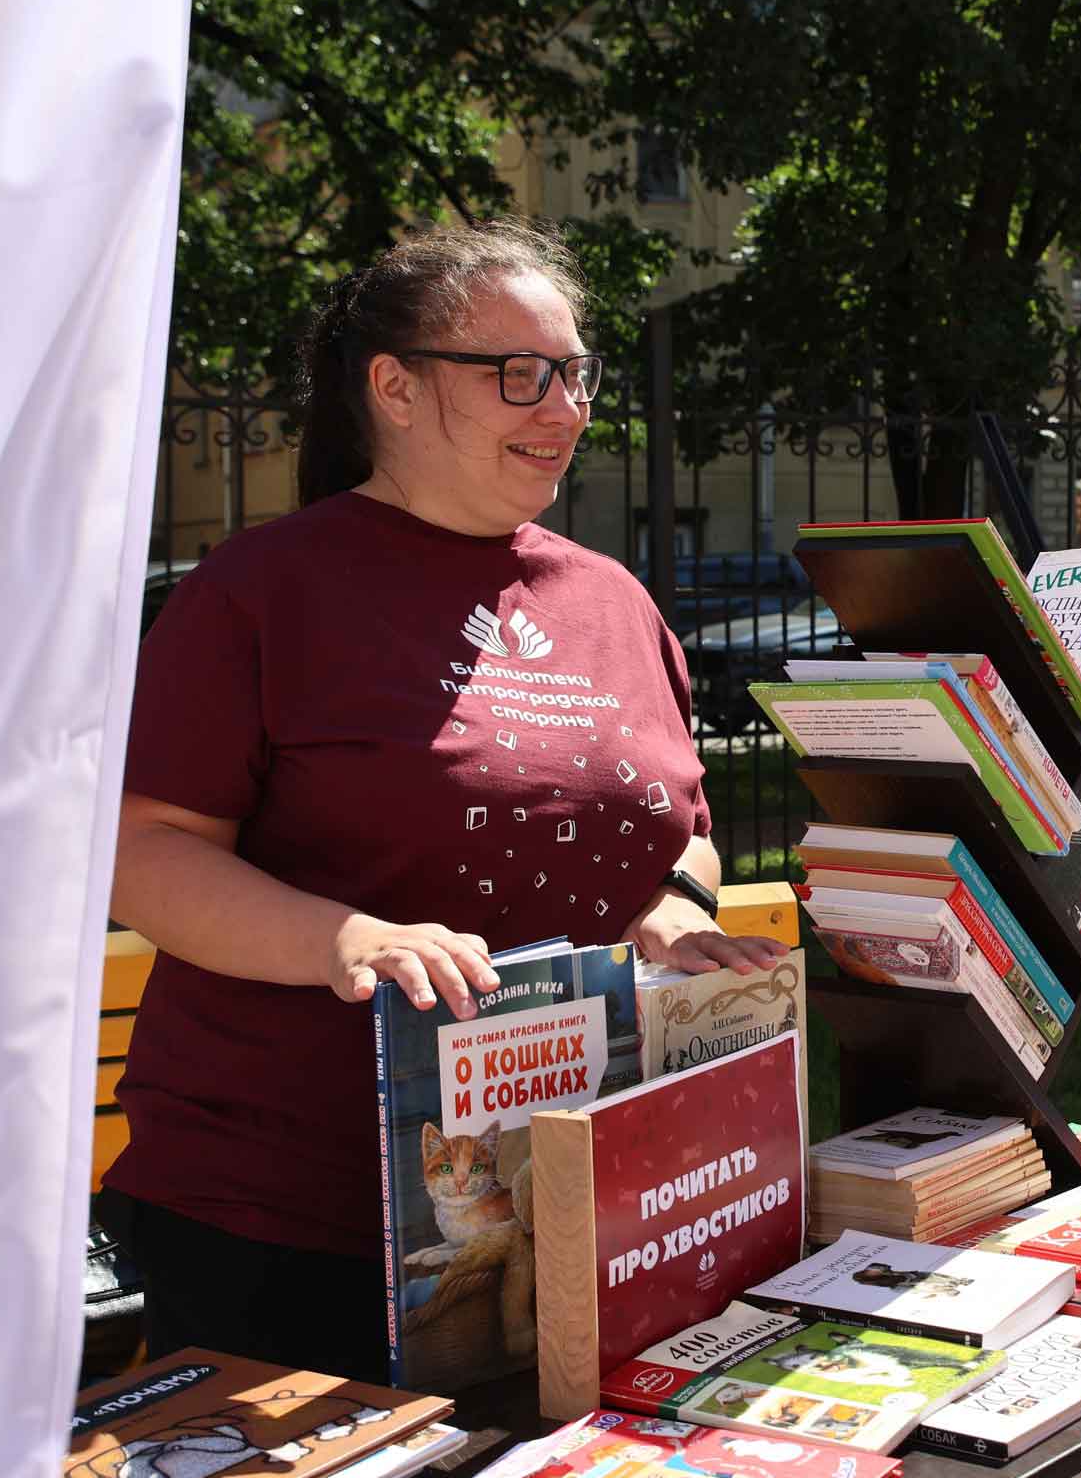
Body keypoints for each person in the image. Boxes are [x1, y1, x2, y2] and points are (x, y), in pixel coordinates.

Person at [100, 218, 786, 1378]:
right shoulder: (259, 596)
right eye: (519, 373)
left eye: (574, 374)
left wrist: (673, 902)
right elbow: (146, 853)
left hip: (578, 1196)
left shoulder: (612, 600)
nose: (563, 406)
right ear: (395, 387)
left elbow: (689, 828)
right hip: (291, 1223)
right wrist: (347, 937)